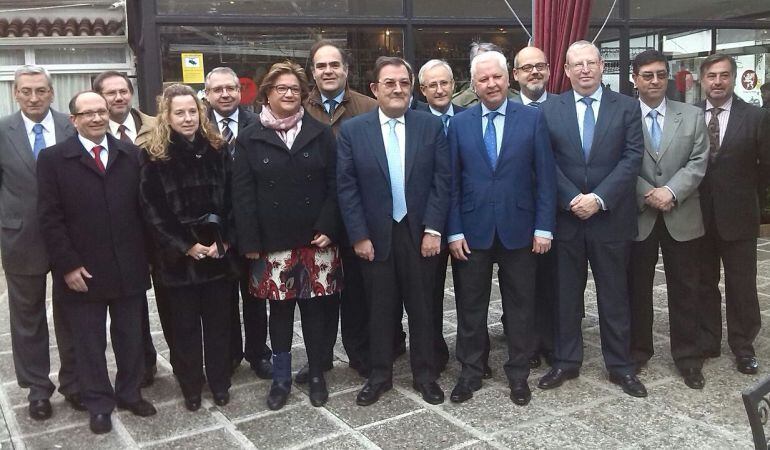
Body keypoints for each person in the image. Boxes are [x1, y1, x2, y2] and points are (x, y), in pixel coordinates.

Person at [37, 91, 157, 434]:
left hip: (128, 263)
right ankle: (98, 403)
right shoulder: (53, 159)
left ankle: (130, 392)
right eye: (87, 113)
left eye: (101, 112)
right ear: (73, 120)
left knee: (130, 335)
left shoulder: (131, 154)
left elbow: (144, 210)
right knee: (88, 341)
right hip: (82, 269)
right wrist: (68, 265)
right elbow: (49, 218)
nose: (96, 118)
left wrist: (148, 257)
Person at [337, 56, 450, 406]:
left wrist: (434, 229)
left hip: (419, 235)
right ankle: (379, 375)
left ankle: (425, 375)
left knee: (423, 309)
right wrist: (358, 235)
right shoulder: (354, 131)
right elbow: (347, 187)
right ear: (375, 89)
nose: (398, 89)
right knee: (379, 310)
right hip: (375, 236)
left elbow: (442, 182)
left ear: (411, 87)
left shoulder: (430, 127)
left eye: (403, 82)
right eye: (389, 83)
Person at [538, 40, 648, 398]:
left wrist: (599, 199)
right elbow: (544, 161)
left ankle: (620, 366)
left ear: (603, 66)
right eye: (576, 64)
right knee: (565, 295)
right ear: (566, 71)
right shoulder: (549, 109)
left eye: (591, 63)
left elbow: (632, 158)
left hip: (610, 219)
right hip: (566, 219)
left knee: (614, 296)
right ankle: (566, 361)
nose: (584, 69)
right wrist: (571, 198)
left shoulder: (628, 107)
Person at [447, 50, 556, 406]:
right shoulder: (459, 123)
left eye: (496, 77)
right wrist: (454, 230)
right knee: (471, 307)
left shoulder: (531, 119)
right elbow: (452, 182)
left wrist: (544, 227)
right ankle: (470, 372)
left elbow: (545, 179)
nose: (491, 84)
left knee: (521, 306)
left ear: (508, 78)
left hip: (520, 229)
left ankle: (519, 374)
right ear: (473, 85)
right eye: (483, 79)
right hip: (473, 232)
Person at [232, 61, 342, 410]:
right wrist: (249, 242)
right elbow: (242, 193)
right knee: (279, 314)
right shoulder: (250, 136)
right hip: (272, 242)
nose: (290, 94)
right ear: (267, 93)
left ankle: (316, 375)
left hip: (314, 239)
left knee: (315, 312)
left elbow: (336, 184)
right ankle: (280, 377)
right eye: (282, 88)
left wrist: (329, 225)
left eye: (295, 89)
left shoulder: (320, 131)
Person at [139, 84, 235, 412]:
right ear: (166, 116)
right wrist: (186, 246)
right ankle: (191, 386)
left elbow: (234, 200)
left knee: (220, 326)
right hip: (176, 262)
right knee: (183, 329)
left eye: (192, 111)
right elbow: (151, 210)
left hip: (217, 257)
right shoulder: (153, 154)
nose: (187, 118)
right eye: (179, 112)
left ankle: (220, 382)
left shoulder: (217, 148)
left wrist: (222, 242)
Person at [0, 64, 81, 420]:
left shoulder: (71, 125)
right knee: (27, 318)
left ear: (52, 92)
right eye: (25, 91)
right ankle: (37, 389)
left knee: (73, 315)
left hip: (69, 237)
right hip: (21, 238)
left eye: (40, 91)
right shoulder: (2, 131)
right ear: (15, 93)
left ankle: (75, 383)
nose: (33, 98)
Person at [628, 49, 709, 389]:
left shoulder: (691, 115)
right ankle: (637, 351)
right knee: (636, 289)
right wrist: (648, 192)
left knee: (686, 290)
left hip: (682, 213)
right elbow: (617, 161)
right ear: (634, 79)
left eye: (661, 74)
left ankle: (688, 358)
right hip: (639, 215)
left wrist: (671, 192)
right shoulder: (622, 115)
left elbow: (699, 161)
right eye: (647, 75)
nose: (655, 81)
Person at [301, 40, 377, 383]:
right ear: (312, 73)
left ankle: (360, 354)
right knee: (320, 295)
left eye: (334, 65)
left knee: (359, 292)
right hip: (319, 223)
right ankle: (320, 358)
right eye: (321, 66)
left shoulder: (370, 107)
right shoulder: (299, 111)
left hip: (361, 217)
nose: (328, 71)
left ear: (346, 70)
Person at [696, 54, 770, 374]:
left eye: (724, 75)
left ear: (734, 78)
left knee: (741, 285)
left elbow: (766, 168)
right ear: (702, 80)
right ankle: (708, 340)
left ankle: (743, 345)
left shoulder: (755, 117)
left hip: (739, 215)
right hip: (697, 216)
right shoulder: (688, 116)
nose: (717, 82)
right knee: (703, 281)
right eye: (712, 76)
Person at [204, 66, 273, 380]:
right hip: (215, 229)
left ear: (239, 91)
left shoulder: (258, 122)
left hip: (250, 225)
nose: (224, 94)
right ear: (207, 94)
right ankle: (230, 354)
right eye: (217, 89)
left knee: (256, 295)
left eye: (230, 88)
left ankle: (259, 353)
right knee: (222, 297)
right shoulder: (198, 125)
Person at [92, 70, 158, 387]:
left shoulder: (156, 127)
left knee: (150, 302)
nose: (119, 97)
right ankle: (140, 365)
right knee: (130, 305)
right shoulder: (91, 134)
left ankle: (150, 359)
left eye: (123, 91)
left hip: (154, 231)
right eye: (111, 93)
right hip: (117, 235)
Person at [415, 58, 468, 375]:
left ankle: (471, 353)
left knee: (469, 294)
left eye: (444, 82)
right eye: (432, 84)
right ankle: (432, 353)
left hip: (466, 221)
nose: (439, 89)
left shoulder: (469, 117)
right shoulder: (413, 120)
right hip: (428, 223)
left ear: (454, 84)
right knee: (429, 294)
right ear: (422, 90)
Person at [511, 46, 556, 368]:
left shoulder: (564, 107)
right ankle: (524, 339)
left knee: (554, 282)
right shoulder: (504, 108)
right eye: (526, 68)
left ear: (551, 70)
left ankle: (551, 341)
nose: (534, 72)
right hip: (515, 214)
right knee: (521, 285)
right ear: (515, 75)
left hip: (560, 209)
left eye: (540, 66)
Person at [453, 42, 518, 108]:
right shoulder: (456, 103)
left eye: (497, 76)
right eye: (484, 79)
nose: (491, 84)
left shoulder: (519, 100)